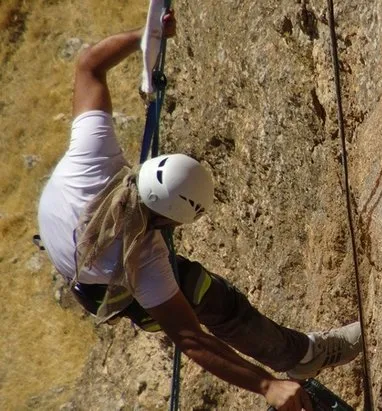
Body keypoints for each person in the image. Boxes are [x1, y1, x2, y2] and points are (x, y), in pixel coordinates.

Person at [37, 11, 361, 411]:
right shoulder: (144, 261)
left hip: (63, 242)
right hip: (101, 286)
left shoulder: (94, 154)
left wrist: (146, 36)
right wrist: (267, 386)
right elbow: (190, 340)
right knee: (207, 296)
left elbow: (89, 63)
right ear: (169, 221)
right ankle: (303, 356)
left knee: (195, 293)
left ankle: (297, 357)